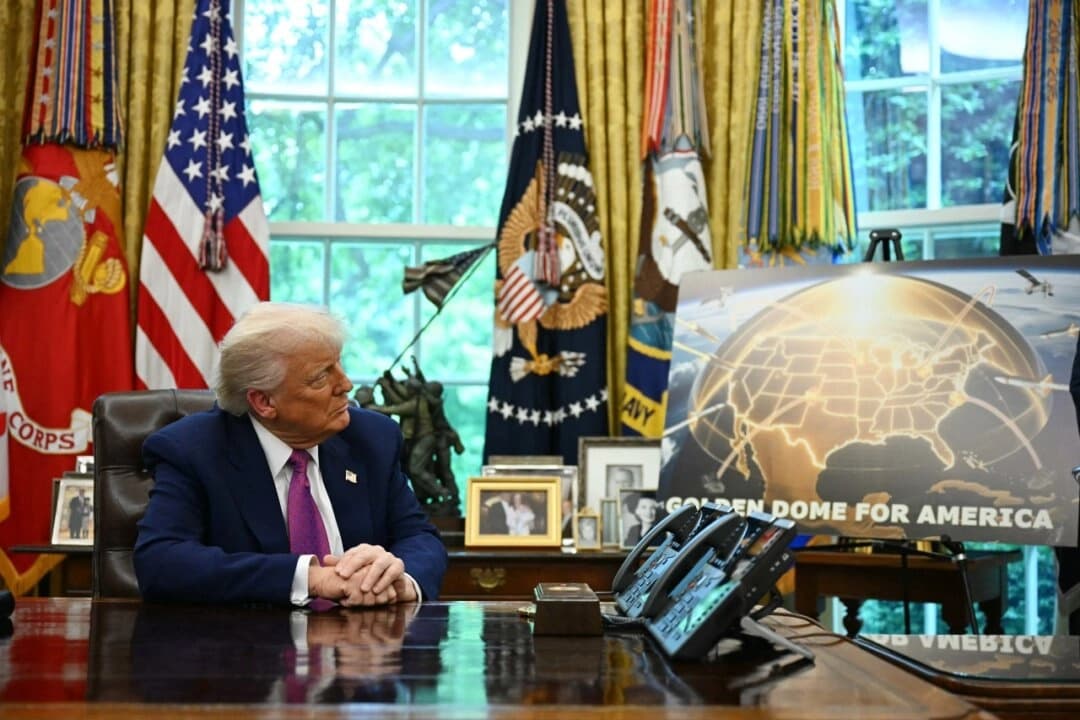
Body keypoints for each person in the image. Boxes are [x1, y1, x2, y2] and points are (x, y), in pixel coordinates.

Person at [134, 302, 448, 607]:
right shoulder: (193, 450)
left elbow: (420, 536)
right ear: (264, 402)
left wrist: (399, 579)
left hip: (362, 649)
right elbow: (161, 562)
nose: (346, 384)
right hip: (244, 650)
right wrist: (311, 579)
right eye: (322, 376)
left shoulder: (372, 438)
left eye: (339, 365)